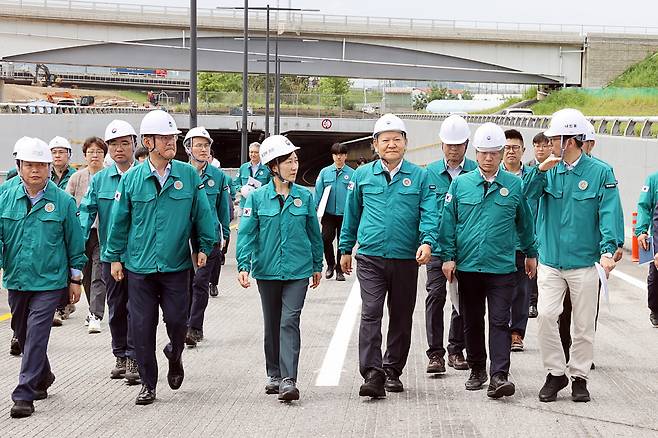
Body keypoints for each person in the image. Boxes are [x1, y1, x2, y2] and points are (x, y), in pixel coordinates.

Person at [104, 110, 215, 405]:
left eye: (173, 138)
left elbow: (202, 214)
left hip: (176, 265)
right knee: (141, 327)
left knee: (178, 322)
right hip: (139, 267)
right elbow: (119, 221)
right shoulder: (131, 180)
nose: (171, 142)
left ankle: (175, 353)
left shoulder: (188, 175)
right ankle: (149, 384)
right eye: (164, 138)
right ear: (149, 141)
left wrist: (205, 247)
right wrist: (114, 257)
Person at [524, 108, 622, 403]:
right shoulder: (545, 169)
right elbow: (525, 195)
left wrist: (608, 251)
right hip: (551, 261)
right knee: (546, 316)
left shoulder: (600, 172)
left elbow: (609, 213)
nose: (548, 143)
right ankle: (555, 373)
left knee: (582, 325)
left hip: (583, 263)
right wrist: (540, 171)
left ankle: (579, 376)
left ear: (568, 141)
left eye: (554, 138)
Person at [339, 114, 437, 398]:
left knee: (401, 315)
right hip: (370, 257)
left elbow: (429, 214)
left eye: (397, 139)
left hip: (406, 258)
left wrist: (427, 242)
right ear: (375, 144)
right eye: (386, 140)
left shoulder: (420, 177)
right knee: (370, 312)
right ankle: (372, 372)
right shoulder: (361, 176)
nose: (391, 144)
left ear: (405, 143)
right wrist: (345, 248)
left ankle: (392, 369)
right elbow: (352, 214)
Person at [439, 122, 537, 399]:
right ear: (476, 153)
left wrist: (531, 253)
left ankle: (499, 375)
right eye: (484, 153)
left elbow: (525, 224)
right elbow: (448, 223)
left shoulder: (515, 185)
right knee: (471, 320)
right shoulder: (461, 184)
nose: (489, 158)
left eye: (494, 153)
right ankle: (477, 369)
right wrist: (448, 257)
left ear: (501, 153)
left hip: (502, 267)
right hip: (469, 267)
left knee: (499, 321)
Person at [1, 137, 87, 418]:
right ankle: (44, 375)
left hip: (50, 281)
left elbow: (75, 242)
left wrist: (76, 279)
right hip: (17, 278)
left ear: (50, 168)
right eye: (29, 165)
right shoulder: (5, 196)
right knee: (22, 333)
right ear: (19, 167)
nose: (35, 170)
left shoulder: (62, 201)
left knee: (37, 334)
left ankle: (24, 394)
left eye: (41, 165)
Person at [237, 135, 322, 401]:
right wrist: (243, 264)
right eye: (288, 161)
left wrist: (317, 264)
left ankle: (288, 379)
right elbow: (247, 233)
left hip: (298, 270)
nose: (294, 166)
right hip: (267, 270)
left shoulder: (304, 198)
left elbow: (313, 233)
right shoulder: (258, 199)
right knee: (272, 323)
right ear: (273, 166)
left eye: (295, 160)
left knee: (289, 321)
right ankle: (273, 374)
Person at [79, 119, 140, 384]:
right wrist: (76, 246)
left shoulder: (144, 175)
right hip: (110, 255)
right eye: (113, 144)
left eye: (124, 143)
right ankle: (120, 354)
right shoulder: (101, 180)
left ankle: (135, 357)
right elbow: (86, 212)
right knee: (115, 306)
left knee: (138, 307)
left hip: (140, 255)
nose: (119, 149)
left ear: (134, 145)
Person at [423, 114, 476, 375]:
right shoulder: (429, 173)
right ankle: (435, 354)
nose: (453, 149)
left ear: (467, 145)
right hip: (436, 248)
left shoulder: (477, 172)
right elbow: (424, 211)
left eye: (458, 144)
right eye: (449, 144)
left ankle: (457, 349)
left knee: (462, 300)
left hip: (466, 249)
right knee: (435, 296)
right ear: (441, 144)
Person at [183, 127, 231, 347]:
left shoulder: (218, 177)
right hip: (182, 239)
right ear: (188, 148)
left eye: (206, 145)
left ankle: (194, 327)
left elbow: (224, 209)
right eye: (198, 145)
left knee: (200, 283)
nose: (203, 149)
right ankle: (182, 323)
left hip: (208, 238)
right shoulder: (180, 173)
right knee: (184, 284)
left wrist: (225, 234)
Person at [66, 137, 108, 334]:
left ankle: (95, 314)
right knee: (87, 274)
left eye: (99, 152)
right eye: (91, 152)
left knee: (99, 274)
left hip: (103, 232)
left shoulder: (109, 176)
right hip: (82, 233)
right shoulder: (77, 177)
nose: (95, 155)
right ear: (85, 155)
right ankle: (93, 309)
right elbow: (68, 203)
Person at [501, 129, 531, 352]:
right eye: (507, 147)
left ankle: (516, 333)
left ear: (523, 151)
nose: (511, 151)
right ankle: (499, 330)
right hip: (498, 245)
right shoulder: (491, 174)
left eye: (515, 148)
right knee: (499, 291)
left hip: (522, 243)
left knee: (521, 291)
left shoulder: (532, 176)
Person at [314, 143, 354, 282]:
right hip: (329, 213)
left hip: (345, 215)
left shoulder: (352, 174)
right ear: (332, 156)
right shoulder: (324, 172)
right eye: (336, 154)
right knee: (325, 238)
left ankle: (339, 270)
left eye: (342, 154)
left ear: (346, 156)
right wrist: (315, 208)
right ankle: (330, 264)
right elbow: (318, 191)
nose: (339, 157)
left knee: (342, 242)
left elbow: (355, 195)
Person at [49, 135, 78, 326]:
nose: (57, 156)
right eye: (54, 152)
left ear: (68, 155)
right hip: (50, 225)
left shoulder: (74, 175)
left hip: (70, 224)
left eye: (61, 152)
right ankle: (59, 307)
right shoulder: (45, 175)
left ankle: (64, 304)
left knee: (68, 266)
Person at [527, 132, 552, 319]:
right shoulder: (529, 169)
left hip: (546, 225)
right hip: (530, 223)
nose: (541, 149)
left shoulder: (555, 167)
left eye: (545, 145)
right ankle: (531, 302)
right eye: (537, 145)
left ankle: (536, 301)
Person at [637, 167, 658, 327]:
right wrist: (642, 231)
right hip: (657, 236)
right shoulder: (653, 179)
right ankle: (655, 309)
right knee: (655, 275)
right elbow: (644, 206)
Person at [232, 142, 271, 214]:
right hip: (245, 205)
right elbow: (235, 184)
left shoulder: (267, 169)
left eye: (256, 152)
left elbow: (271, 186)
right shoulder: (243, 167)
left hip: (261, 205)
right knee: (242, 224)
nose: (253, 154)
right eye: (251, 152)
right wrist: (242, 189)